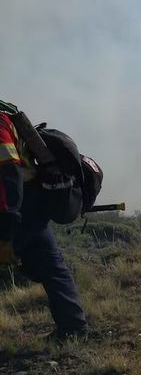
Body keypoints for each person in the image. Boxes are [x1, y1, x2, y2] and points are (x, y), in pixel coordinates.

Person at [0, 101, 88, 341]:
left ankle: (73, 327)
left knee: (48, 264)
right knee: (50, 265)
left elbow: (10, 172)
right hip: (28, 203)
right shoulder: (6, 113)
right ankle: (73, 327)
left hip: (16, 204)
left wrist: (9, 221)